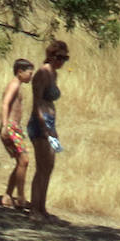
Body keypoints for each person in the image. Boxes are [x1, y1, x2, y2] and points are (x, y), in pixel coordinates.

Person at [28, 40, 69, 220]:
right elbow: (37, 102)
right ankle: (34, 210)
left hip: (51, 125)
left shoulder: (54, 74)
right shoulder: (42, 74)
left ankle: (42, 208)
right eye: (59, 57)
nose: (61, 61)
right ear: (50, 55)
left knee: (50, 166)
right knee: (41, 167)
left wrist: (52, 129)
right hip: (40, 124)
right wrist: (44, 127)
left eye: (65, 58)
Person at [0, 58, 35, 210]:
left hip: (15, 128)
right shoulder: (14, 85)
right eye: (29, 73)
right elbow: (5, 103)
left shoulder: (18, 85)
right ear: (20, 72)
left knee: (21, 161)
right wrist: (6, 125)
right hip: (11, 127)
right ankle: (20, 198)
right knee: (24, 160)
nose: (31, 76)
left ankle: (8, 196)